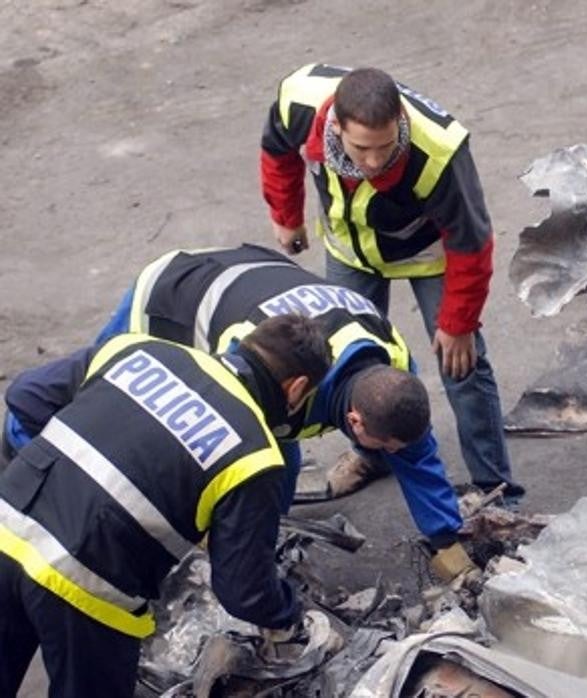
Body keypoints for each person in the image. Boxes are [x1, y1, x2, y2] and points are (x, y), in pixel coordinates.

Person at [3, 245, 480, 583]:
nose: (401, 455)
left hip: (253, 275)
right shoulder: (268, 368)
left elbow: (417, 457)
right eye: (390, 448)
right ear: (355, 423)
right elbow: (225, 449)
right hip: (171, 300)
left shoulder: (391, 370)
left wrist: (445, 542)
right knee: (105, 397)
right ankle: (22, 456)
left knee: (273, 455)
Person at [0, 315, 331, 697]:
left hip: (9, 519)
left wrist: (57, 475)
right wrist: (289, 614)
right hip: (86, 583)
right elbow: (245, 593)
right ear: (297, 388)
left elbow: (26, 395)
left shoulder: (137, 349)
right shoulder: (255, 456)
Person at [259, 63, 521, 503]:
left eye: (385, 147)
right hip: (351, 250)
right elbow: (276, 148)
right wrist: (285, 215)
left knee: (463, 366)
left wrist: (457, 323)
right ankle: (373, 450)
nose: (376, 160)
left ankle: (496, 489)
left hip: (430, 256)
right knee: (346, 359)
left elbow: (472, 242)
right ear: (336, 125)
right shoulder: (300, 101)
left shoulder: (438, 150)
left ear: (400, 119)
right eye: (362, 149)